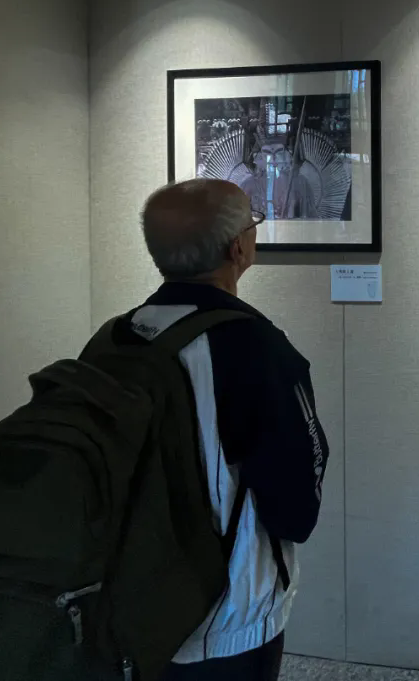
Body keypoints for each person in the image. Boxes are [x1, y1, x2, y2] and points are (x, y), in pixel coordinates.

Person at [131, 178, 328, 681]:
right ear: (238, 248)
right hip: (225, 618)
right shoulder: (256, 347)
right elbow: (295, 505)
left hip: (127, 601)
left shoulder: (117, 336)